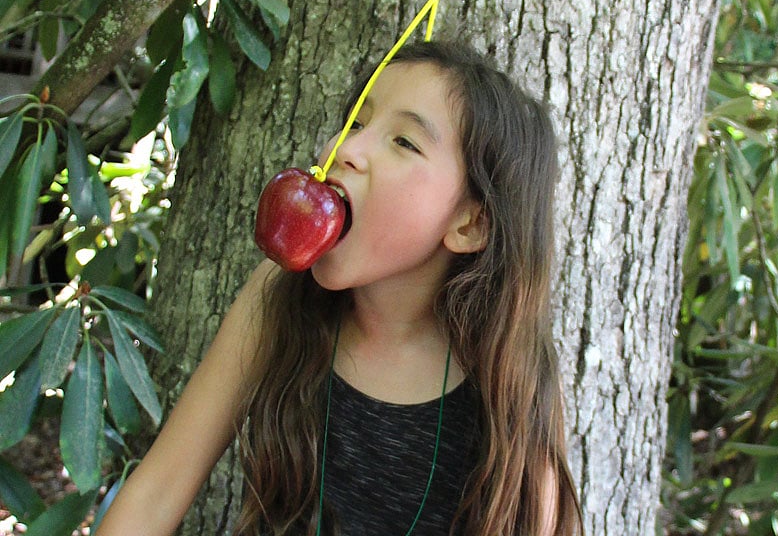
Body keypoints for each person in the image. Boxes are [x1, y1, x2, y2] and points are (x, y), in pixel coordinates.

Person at [96, 39, 583, 536]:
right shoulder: (280, 296)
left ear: (470, 223)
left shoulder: (508, 375)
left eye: (404, 142)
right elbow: (156, 494)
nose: (344, 150)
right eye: (356, 122)